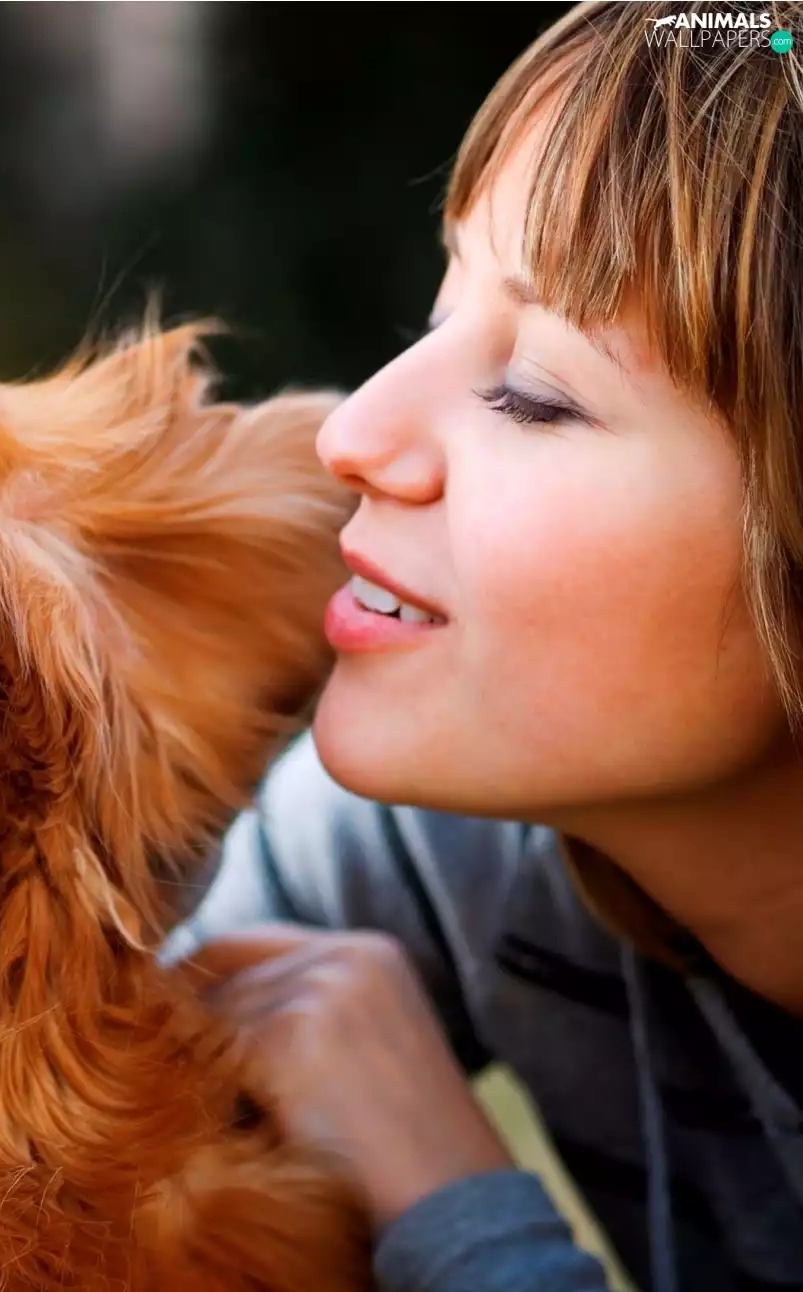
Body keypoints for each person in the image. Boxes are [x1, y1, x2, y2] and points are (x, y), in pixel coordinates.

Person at [162, 5, 803, 1291]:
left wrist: (456, 1211)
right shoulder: (460, 851)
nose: (353, 432)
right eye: (440, 312)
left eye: (535, 393)